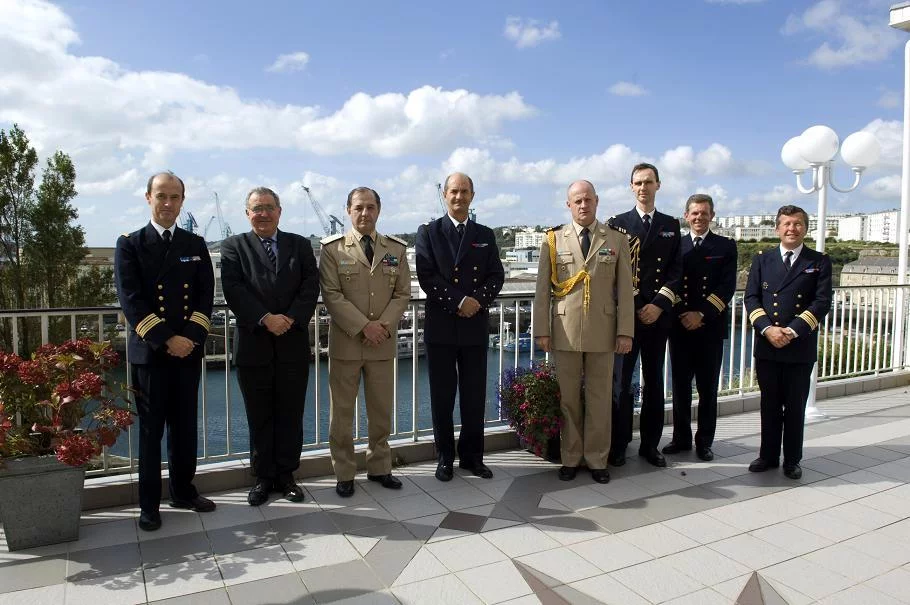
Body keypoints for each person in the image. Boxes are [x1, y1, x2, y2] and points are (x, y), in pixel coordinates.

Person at [114, 172, 216, 531]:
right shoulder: (130, 244)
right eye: (162, 196)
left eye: (175, 197)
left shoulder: (195, 243)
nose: (168, 203)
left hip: (187, 351)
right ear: (148, 198)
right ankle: (148, 504)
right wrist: (167, 339)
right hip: (151, 354)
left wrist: (188, 337)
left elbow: (205, 295)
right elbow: (132, 301)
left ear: (182, 201)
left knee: (185, 427)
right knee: (151, 432)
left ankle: (184, 491)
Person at [220, 187, 319, 505]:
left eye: (268, 207)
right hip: (254, 346)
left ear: (280, 211)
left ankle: (287, 475)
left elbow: (310, 285)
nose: (262, 213)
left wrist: (289, 318)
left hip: (291, 344)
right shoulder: (233, 246)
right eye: (256, 208)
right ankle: (263, 478)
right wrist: (265, 318)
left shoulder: (300, 245)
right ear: (247, 213)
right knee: (259, 416)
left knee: (291, 414)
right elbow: (233, 289)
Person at [533, 180, 634, 483]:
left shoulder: (616, 240)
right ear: (568, 204)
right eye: (577, 200)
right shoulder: (553, 240)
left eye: (587, 199)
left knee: (600, 398)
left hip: (604, 331)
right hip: (564, 330)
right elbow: (542, 292)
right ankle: (571, 457)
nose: (583, 205)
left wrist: (625, 332)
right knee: (568, 400)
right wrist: (542, 331)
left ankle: (597, 459)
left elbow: (625, 292)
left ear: (597, 201)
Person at [319, 187, 411, 498]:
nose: (364, 213)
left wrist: (380, 327)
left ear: (379, 211)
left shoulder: (396, 249)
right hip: (347, 344)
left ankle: (380, 467)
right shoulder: (333, 249)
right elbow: (331, 295)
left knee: (381, 411)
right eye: (358, 207)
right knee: (342, 415)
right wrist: (363, 327)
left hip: (381, 344)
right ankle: (344, 472)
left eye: (370, 207)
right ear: (347, 210)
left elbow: (402, 294)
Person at [416, 172, 505, 481]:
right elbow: (427, 276)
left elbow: (496, 276)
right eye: (453, 191)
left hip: (473, 326)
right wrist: (458, 301)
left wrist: (476, 301)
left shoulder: (485, 233)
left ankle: (472, 457)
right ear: (445, 195)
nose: (459, 196)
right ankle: (445, 457)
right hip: (441, 326)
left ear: (472, 195)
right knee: (442, 397)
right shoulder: (428, 232)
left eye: (464, 191)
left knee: (473, 396)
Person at [744, 205, 832, 480]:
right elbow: (751, 298)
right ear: (777, 229)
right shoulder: (763, 260)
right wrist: (768, 329)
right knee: (769, 404)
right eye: (786, 224)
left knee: (795, 406)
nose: (791, 229)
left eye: (797, 224)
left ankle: (792, 459)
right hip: (768, 344)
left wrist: (791, 331)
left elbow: (821, 302)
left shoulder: (818, 261)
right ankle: (768, 455)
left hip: (799, 346)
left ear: (805, 228)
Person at [609, 163, 682, 468]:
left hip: (658, 318)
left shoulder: (670, 224)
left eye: (648, 182)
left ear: (658, 185)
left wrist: (657, 306)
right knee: (621, 384)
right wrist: (640, 304)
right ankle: (618, 444)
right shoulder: (617, 224)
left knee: (654, 383)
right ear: (631, 187)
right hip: (627, 317)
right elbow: (613, 271)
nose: (643, 187)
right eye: (638, 182)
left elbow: (677, 272)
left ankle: (651, 445)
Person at [664, 194, 737, 462]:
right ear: (686, 216)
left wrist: (701, 314)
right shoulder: (676, 246)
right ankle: (681, 438)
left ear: (712, 216)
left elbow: (726, 287)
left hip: (710, 328)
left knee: (708, 390)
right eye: (694, 213)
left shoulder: (725, 246)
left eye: (704, 213)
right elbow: (670, 281)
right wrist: (686, 313)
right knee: (680, 387)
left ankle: (704, 442)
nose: (699, 218)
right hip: (680, 326)